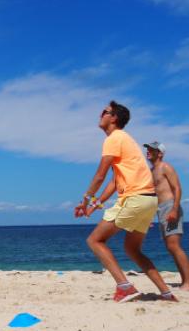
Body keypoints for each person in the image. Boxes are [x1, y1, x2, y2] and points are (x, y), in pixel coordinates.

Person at [75, 101, 176, 302]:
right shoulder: (126, 141)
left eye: (104, 112)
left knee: (95, 241)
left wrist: (85, 201)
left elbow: (100, 175)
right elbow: (114, 180)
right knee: (132, 249)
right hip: (148, 201)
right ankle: (166, 293)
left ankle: (125, 286)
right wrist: (96, 204)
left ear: (114, 118)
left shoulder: (114, 138)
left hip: (135, 198)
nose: (100, 114)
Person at [144, 141, 189, 291]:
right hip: (160, 209)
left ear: (160, 153)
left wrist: (174, 209)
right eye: (148, 149)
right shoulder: (151, 171)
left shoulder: (166, 167)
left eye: (152, 149)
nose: (148, 151)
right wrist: (150, 216)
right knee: (170, 247)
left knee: (174, 246)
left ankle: (188, 282)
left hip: (170, 206)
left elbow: (177, 188)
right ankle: (185, 280)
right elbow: (153, 195)